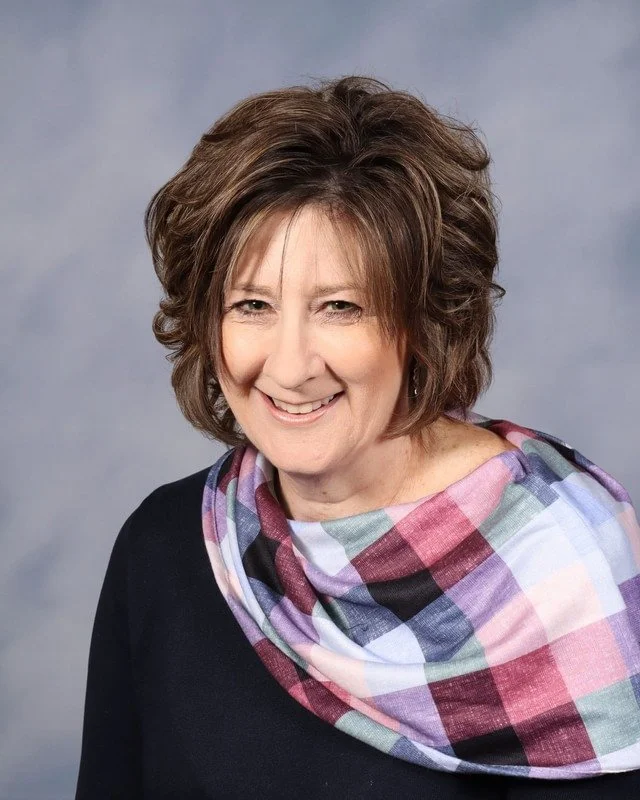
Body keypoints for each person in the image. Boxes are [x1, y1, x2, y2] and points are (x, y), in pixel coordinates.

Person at [75, 76, 640, 799]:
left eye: (340, 307)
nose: (288, 366)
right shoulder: (167, 548)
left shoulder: (564, 572)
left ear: (424, 322)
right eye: (252, 305)